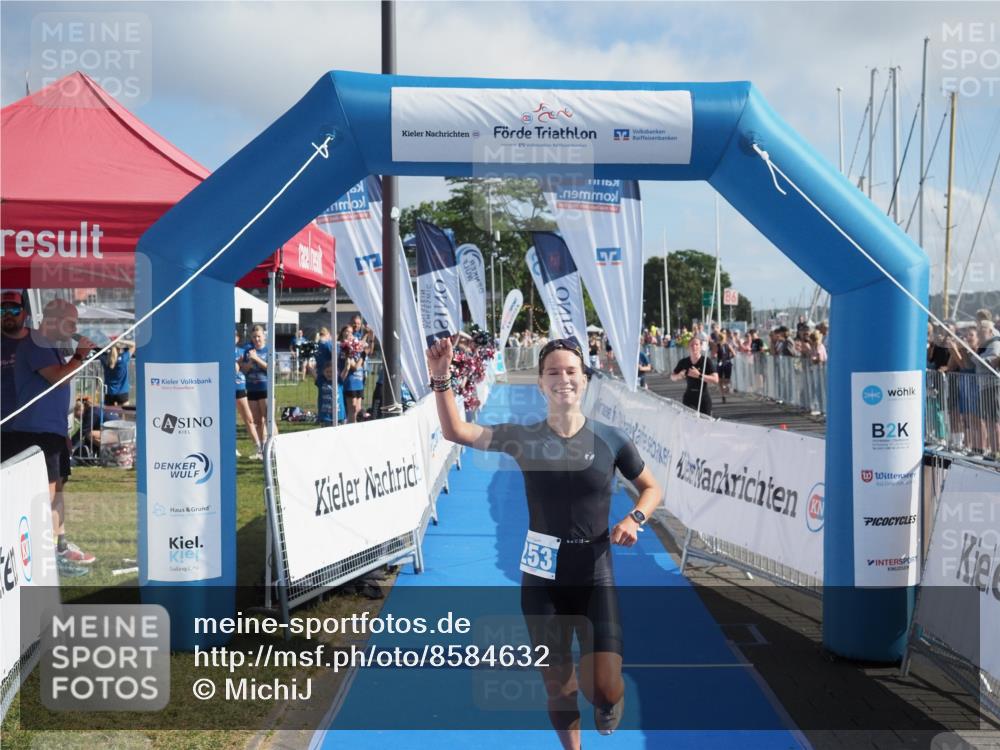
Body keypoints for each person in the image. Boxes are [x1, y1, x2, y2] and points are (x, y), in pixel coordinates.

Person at [426, 336, 661, 748]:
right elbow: (456, 431)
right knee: (559, 685)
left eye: (571, 371)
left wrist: (634, 518)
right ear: (540, 383)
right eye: (553, 372)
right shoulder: (524, 437)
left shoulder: (611, 439)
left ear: (585, 380)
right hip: (541, 580)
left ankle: (609, 698)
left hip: (594, 575)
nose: (562, 379)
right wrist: (441, 377)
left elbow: (651, 489)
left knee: (601, 688)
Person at [2, 298, 97, 573]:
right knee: (46, 495)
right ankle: (46, 556)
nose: (74, 329)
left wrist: (63, 430)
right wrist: (79, 356)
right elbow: (58, 378)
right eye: (71, 323)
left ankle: (59, 547)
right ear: (53, 320)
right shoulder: (34, 345)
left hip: (51, 432)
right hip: (35, 433)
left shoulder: (49, 346)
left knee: (57, 493)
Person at [241, 324, 274, 459]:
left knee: (269, 420)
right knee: (257, 421)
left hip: (265, 388)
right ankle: (262, 449)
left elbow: (271, 368)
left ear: (264, 336)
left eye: (259, 336)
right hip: (252, 389)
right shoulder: (248, 351)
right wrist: (249, 362)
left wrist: (256, 359)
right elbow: (243, 370)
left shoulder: (268, 349)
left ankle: (275, 448)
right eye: (254, 337)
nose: (257, 339)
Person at [669, 337, 719, 416]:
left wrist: (699, 375)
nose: (694, 347)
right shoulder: (684, 362)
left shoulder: (706, 361)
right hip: (689, 397)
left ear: (700, 346)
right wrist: (678, 376)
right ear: (688, 347)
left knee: (705, 422)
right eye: (692, 345)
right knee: (690, 420)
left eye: (696, 344)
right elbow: (672, 377)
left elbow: (716, 379)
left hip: (703, 397)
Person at [1, 290, 30, 425]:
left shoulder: (37, 342)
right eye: (2, 311)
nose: (8, 315)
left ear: (24, 314)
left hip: (31, 421)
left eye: (14, 310)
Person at [235, 330, 261, 458]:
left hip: (239, 386)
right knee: (229, 420)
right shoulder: (221, 351)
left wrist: (244, 364)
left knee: (249, 418)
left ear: (237, 338)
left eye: (234, 336)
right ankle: (231, 448)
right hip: (225, 388)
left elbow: (245, 369)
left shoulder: (242, 351)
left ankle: (259, 448)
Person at [337, 325, 365, 423]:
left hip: (359, 381)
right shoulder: (344, 347)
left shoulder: (355, 345)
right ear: (342, 332)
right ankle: (351, 427)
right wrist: (363, 356)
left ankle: (353, 425)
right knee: (352, 409)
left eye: (351, 332)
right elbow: (355, 367)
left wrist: (367, 335)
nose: (349, 334)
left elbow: (366, 349)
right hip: (350, 382)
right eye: (347, 331)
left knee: (357, 409)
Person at [102, 336, 135, 406]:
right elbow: (133, 345)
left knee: (109, 413)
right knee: (125, 412)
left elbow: (98, 349)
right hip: (122, 392)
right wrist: (119, 341)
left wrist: (108, 343)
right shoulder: (123, 359)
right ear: (119, 349)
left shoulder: (105, 359)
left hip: (109, 393)